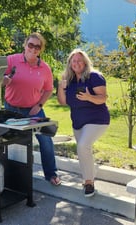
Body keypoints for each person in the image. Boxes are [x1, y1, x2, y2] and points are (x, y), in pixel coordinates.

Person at [3, 32, 61, 186]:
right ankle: (7, 173)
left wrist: (39, 105)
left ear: (40, 49)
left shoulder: (45, 68)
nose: (33, 49)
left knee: (46, 139)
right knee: (8, 141)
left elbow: (48, 89)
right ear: (25, 45)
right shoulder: (11, 60)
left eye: (37, 46)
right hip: (11, 109)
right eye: (31, 45)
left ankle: (51, 174)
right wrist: (4, 80)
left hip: (33, 110)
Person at [57, 49, 110, 197]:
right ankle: (91, 174)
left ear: (85, 62)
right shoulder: (70, 80)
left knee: (82, 146)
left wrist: (89, 97)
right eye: (73, 61)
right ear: (70, 64)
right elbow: (62, 101)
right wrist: (61, 87)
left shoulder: (94, 76)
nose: (76, 63)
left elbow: (103, 98)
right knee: (83, 151)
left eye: (79, 60)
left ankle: (88, 183)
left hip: (97, 120)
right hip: (78, 122)